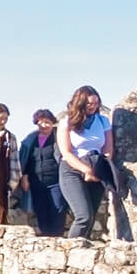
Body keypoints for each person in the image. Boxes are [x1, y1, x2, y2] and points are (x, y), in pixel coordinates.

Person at [56, 84, 115, 239]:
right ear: (80, 103)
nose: (93, 107)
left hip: (96, 166)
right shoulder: (67, 122)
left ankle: (83, 254)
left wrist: (100, 166)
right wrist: (86, 170)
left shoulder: (103, 121)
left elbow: (108, 150)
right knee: (83, 216)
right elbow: (66, 153)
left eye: (96, 103)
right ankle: (70, 250)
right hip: (72, 169)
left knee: (91, 217)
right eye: (89, 103)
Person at [16, 109, 65, 236]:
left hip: (56, 181)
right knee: (41, 211)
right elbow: (26, 160)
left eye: (47, 122)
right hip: (36, 182)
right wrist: (24, 177)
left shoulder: (58, 137)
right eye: (41, 122)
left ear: (53, 123)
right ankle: (46, 238)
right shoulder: (30, 140)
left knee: (58, 208)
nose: (44, 125)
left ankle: (57, 237)